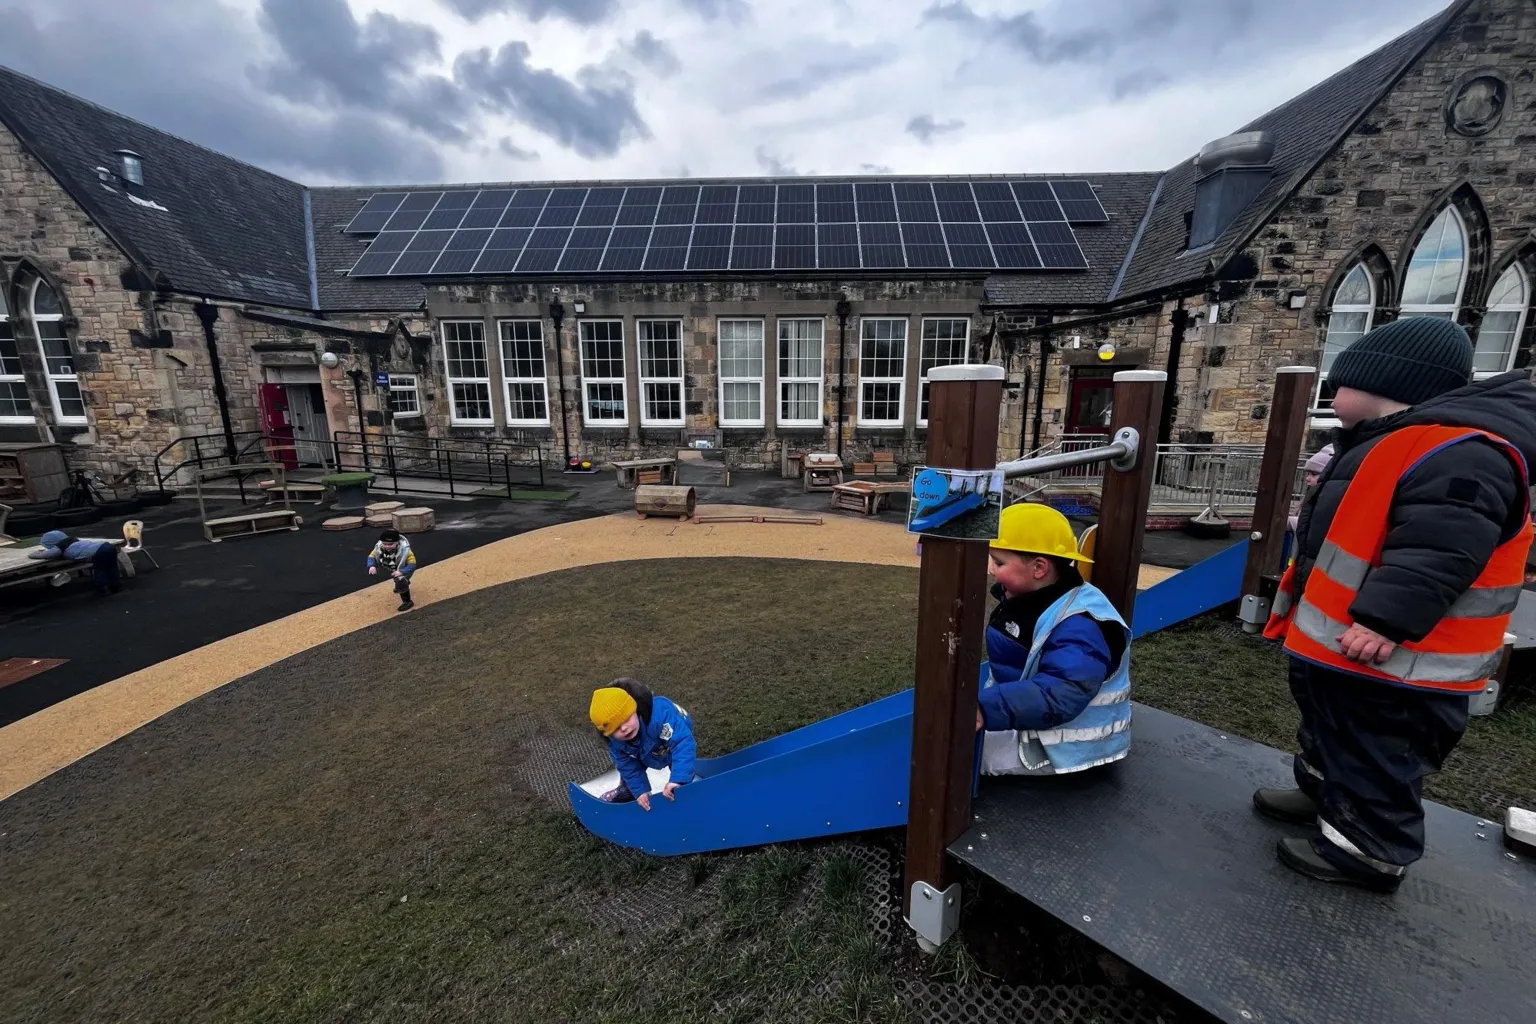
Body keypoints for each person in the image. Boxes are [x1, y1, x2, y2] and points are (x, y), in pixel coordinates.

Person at [1261, 316, 1536, 892]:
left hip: (1402, 660)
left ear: (1390, 384)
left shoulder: (1461, 453)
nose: (1332, 395)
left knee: (1378, 749)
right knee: (1331, 727)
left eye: (1341, 383)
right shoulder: (1384, 444)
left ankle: (1369, 848)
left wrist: (1386, 622)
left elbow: (1440, 548)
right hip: (1341, 647)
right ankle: (1323, 795)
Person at [974, 503, 1131, 775]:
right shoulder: (1029, 598)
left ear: (1038, 567)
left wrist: (983, 709)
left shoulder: (1080, 624)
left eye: (998, 562)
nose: (990, 569)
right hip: (1028, 718)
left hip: (1064, 747)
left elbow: (1061, 692)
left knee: (955, 755)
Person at [589, 678, 697, 810]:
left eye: (626, 719)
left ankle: (684, 789)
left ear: (635, 709)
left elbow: (682, 743)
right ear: (607, 733)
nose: (624, 728)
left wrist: (678, 779)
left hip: (670, 739)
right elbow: (627, 766)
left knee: (679, 767)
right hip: (642, 749)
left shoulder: (660, 718)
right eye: (616, 728)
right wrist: (641, 791)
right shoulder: (615, 741)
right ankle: (628, 790)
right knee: (630, 765)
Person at [27, 529, 123, 594]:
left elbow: (49, 554)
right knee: (111, 567)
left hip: (98, 552)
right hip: (107, 546)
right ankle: (115, 585)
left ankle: (103, 588)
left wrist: (33, 554)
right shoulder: (72, 540)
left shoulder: (60, 546)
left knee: (100, 570)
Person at [366, 528, 417, 611]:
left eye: (390, 544)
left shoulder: (405, 551)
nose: (387, 546)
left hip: (404, 569)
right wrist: (372, 566)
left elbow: (412, 564)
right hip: (392, 568)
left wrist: (401, 572)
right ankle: (404, 582)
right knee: (396, 578)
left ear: (397, 542)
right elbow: (371, 556)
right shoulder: (379, 547)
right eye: (384, 544)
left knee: (400, 581)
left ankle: (407, 601)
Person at [1288, 445, 1335, 534]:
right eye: (1308, 473)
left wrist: (1287, 522)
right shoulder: (1311, 495)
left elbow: (1315, 525)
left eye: (1314, 474)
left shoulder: (1326, 499)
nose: (1307, 478)